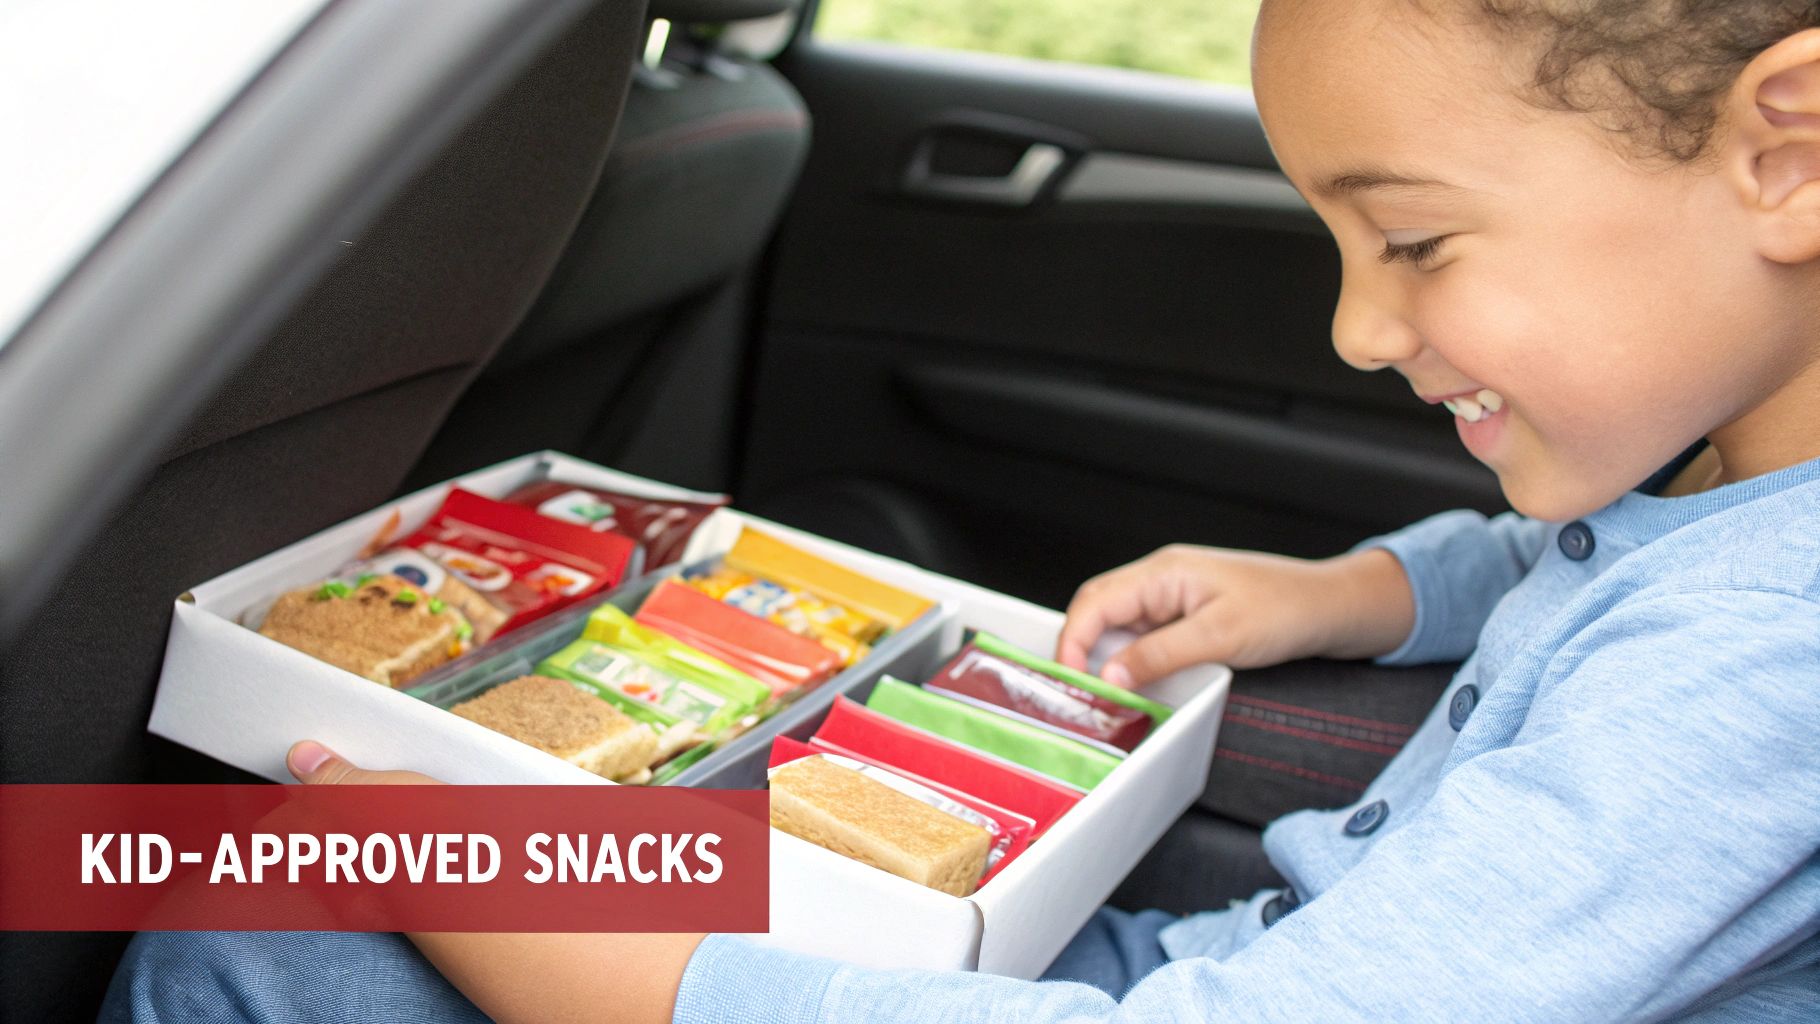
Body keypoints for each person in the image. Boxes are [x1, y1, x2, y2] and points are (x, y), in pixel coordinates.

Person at [105, 0, 1820, 1020]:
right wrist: (1352, 591)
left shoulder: (1763, 662)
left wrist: (621, 968)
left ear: (1791, 154)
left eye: (1417, 242)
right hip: (1198, 953)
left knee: (263, 936)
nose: (1359, 331)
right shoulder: (1732, 485)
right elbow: (1573, 565)